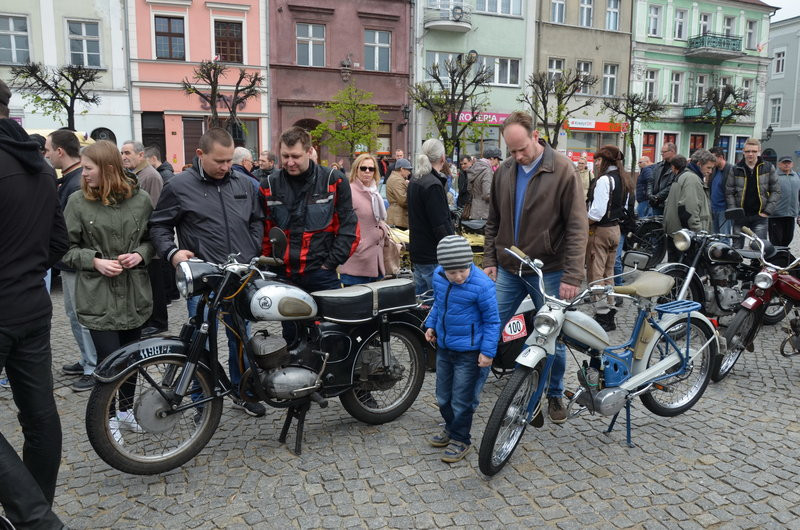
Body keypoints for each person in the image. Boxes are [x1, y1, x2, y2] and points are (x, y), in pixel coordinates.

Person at [150, 127, 267, 418]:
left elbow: (257, 220)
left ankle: (243, 392)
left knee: (241, 338)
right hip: (204, 279)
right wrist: (172, 253)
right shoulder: (178, 185)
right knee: (200, 342)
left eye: (229, 160)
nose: (226, 167)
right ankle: (200, 401)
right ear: (200, 154)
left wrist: (251, 248)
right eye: (219, 161)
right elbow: (159, 225)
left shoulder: (244, 183)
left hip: (239, 277)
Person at [483, 111, 588, 424]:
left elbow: (577, 226)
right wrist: (489, 259)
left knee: (551, 336)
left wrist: (572, 275)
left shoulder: (563, 170)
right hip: (508, 269)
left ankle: (554, 393)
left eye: (522, 149)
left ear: (535, 136)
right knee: (490, 328)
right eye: (511, 150)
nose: (517, 156)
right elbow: (493, 221)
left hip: (551, 270)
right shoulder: (504, 171)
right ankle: (474, 397)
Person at [0, 80, 68, 529]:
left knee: (39, 416)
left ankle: (36, 518)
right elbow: (57, 243)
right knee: (40, 415)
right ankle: (36, 510)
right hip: (31, 305)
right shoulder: (41, 165)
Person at [61, 140, 155, 444]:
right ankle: (110, 416)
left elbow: (153, 239)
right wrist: (95, 261)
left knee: (132, 359)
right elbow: (63, 249)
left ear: (108, 168)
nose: (83, 174)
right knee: (109, 362)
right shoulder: (77, 202)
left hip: (134, 293)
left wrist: (140, 254)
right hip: (97, 296)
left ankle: (126, 411)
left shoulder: (141, 200)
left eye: (89, 168)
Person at [425, 236, 500, 463]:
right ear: (443, 268)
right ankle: (451, 427)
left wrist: (487, 352)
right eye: (452, 272)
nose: (458, 277)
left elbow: (492, 322)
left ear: (470, 263)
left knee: (461, 399)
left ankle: (461, 439)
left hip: (469, 352)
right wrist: (431, 325)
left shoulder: (482, 285)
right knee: (442, 396)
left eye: (462, 270)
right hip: (445, 347)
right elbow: (439, 304)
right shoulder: (439, 277)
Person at [260, 125, 358, 295]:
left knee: (334, 313)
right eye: (285, 156)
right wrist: (267, 265)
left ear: (309, 151)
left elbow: (349, 228)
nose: (290, 162)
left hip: (321, 274)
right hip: (282, 274)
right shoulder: (268, 185)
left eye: (296, 156)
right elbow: (264, 230)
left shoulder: (333, 181)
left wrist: (330, 264)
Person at [44, 129, 98, 392]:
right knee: (74, 315)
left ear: (60, 151)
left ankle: (93, 367)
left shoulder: (76, 183)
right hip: (71, 261)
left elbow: (73, 230)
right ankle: (86, 359)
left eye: (48, 150)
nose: (46, 155)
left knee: (81, 316)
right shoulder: (70, 179)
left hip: (77, 261)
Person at [121, 140, 168, 337]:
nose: (124, 157)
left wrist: (150, 238)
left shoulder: (150, 176)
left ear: (141, 155)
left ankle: (158, 322)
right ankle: (150, 320)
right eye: (122, 153)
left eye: (128, 153)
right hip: (140, 241)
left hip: (149, 240)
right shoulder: (135, 174)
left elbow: (155, 209)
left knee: (155, 283)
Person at [585, 145, 632, 331]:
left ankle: (603, 314)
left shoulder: (605, 180)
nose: (596, 163)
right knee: (608, 272)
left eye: (598, 160)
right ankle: (610, 308)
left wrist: (583, 223)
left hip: (601, 231)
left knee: (596, 273)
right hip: (615, 229)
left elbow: (597, 212)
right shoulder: (623, 178)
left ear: (605, 161)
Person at [407, 138, 455, 295]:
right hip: (433, 254)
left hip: (419, 251)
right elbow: (440, 224)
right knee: (437, 301)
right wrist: (452, 250)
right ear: (442, 158)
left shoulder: (416, 179)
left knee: (421, 301)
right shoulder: (432, 184)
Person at [339, 153, 387, 286]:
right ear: (356, 169)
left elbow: (377, 220)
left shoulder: (374, 192)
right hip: (356, 263)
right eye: (363, 168)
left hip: (375, 262)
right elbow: (340, 224)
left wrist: (382, 230)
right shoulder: (349, 192)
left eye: (371, 169)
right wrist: (358, 245)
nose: (367, 171)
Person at [725, 138, 779, 247]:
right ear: (743, 152)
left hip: (760, 215)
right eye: (748, 151)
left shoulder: (768, 167)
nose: (750, 154)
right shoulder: (736, 168)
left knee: (759, 248)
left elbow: (776, 191)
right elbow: (729, 192)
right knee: (736, 248)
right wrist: (734, 211)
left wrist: (767, 211)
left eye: (754, 151)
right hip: (740, 215)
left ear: (759, 152)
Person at [663, 150, 714, 261]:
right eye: (708, 167)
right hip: (686, 237)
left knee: (677, 268)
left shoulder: (684, 175)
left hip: (678, 234)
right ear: (699, 164)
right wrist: (699, 233)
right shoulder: (692, 179)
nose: (710, 171)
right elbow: (689, 210)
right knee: (687, 269)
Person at [769, 156, 800, 246]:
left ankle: (784, 255)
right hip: (776, 215)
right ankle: (777, 255)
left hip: (791, 214)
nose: (786, 165)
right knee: (776, 241)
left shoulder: (796, 176)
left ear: (792, 164)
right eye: (784, 163)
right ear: (779, 164)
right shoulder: (773, 176)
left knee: (788, 239)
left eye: (788, 163)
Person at [647, 142, 678, 215]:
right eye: (661, 152)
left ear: (672, 152)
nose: (662, 154)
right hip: (655, 204)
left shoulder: (678, 166)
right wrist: (650, 194)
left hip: (668, 205)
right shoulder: (659, 166)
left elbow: (672, 186)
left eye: (664, 152)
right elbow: (650, 181)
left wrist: (658, 196)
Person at [708, 147, 733, 236]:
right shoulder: (714, 170)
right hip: (713, 208)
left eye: (713, 158)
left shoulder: (731, 170)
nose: (711, 161)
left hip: (724, 209)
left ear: (721, 157)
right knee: (714, 237)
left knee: (724, 237)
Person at [386, 158, 412, 229]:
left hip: (397, 218)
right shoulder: (397, 180)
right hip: (398, 219)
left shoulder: (396, 178)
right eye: (408, 170)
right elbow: (403, 200)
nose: (409, 172)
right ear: (402, 169)